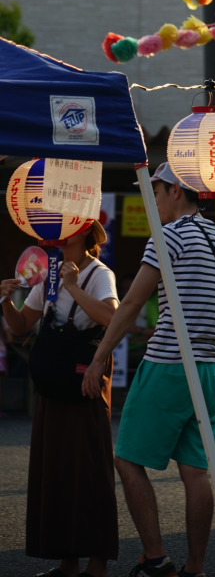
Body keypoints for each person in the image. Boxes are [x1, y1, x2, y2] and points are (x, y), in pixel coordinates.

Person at [82, 162, 215, 577]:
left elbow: (131, 303)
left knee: (128, 459)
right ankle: (196, 567)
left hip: (168, 362)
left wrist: (98, 359)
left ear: (175, 190)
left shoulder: (168, 236)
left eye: (153, 189)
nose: (148, 198)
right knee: (196, 471)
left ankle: (155, 558)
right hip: (206, 370)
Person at [0, 220, 119, 577]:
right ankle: (68, 560)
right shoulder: (50, 272)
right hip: (53, 381)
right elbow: (21, 326)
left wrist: (72, 286)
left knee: (90, 467)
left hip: (86, 378)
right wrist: (4, 299)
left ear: (84, 234)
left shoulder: (99, 273)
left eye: (68, 229)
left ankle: (96, 563)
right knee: (56, 468)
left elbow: (111, 317)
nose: (59, 236)